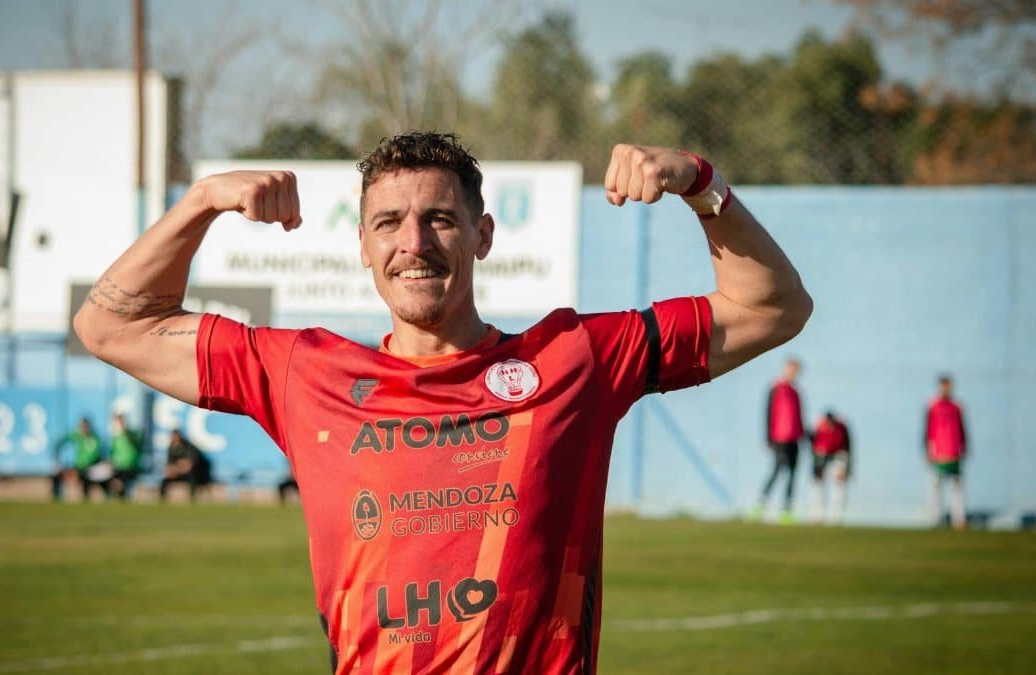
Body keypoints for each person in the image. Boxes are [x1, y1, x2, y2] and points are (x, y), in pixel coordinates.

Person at [73, 132, 811, 672]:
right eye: (389, 223)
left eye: (440, 219)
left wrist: (701, 185)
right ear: (363, 245)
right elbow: (108, 323)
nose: (414, 242)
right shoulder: (306, 372)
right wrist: (200, 203)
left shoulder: (573, 359)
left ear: (482, 235)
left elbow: (774, 308)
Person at [754, 358, 805, 523]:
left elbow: (799, 415)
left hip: (794, 438)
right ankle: (761, 504)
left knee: (792, 474)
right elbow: (768, 412)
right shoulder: (775, 388)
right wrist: (768, 438)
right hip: (779, 438)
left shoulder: (796, 392)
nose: (794, 374)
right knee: (777, 470)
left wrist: (802, 434)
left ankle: (786, 510)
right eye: (792, 370)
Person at [925, 374, 968, 529]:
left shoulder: (957, 406)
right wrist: (929, 449)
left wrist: (964, 446)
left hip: (954, 450)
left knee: (957, 486)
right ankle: (934, 518)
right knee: (936, 485)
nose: (946, 388)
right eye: (944, 385)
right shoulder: (932, 405)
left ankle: (959, 518)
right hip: (938, 451)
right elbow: (927, 429)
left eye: (949, 386)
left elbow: (963, 428)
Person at [51, 417, 109, 502]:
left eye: (85, 426)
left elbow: (95, 456)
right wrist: (57, 460)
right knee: (56, 475)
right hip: (77, 467)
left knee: (89, 478)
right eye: (82, 426)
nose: (83, 428)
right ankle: (56, 499)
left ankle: (93, 498)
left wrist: (82, 468)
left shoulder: (94, 439)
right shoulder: (77, 436)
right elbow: (60, 443)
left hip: (89, 468)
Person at [809, 410, 852, 525]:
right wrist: (816, 467)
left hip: (838, 456)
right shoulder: (818, 427)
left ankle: (837, 516)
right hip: (821, 456)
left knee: (839, 486)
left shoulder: (842, 427)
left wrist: (846, 467)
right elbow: (813, 446)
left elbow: (847, 447)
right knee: (818, 486)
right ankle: (818, 515)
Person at [159, 428, 210, 501]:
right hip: (177, 473)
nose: (173, 438)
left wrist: (179, 467)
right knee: (165, 480)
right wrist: (174, 469)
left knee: (192, 478)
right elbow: (169, 465)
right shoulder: (171, 448)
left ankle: (192, 499)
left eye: (175, 436)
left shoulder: (188, 446)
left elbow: (189, 465)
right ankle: (162, 500)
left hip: (188, 474)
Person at [108, 413, 143, 500]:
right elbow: (112, 453)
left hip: (131, 467)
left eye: (121, 422)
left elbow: (136, 443)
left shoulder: (133, 434)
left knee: (120, 480)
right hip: (118, 467)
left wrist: (124, 429)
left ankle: (123, 496)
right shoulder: (115, 438)